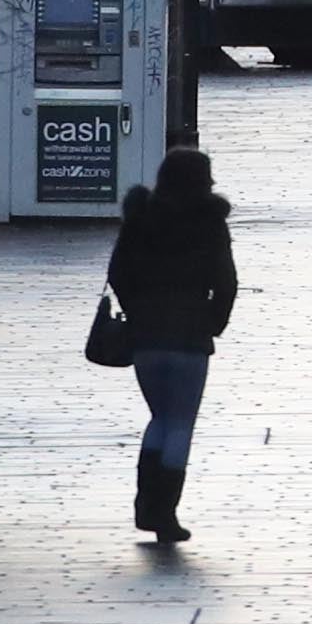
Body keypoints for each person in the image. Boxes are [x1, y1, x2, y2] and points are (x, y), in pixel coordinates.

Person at [100, 145, 235, 545]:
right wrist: (213, 323)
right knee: (180, 422)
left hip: (147, 338)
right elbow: (226, 281)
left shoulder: (140, 218)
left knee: (159, 417)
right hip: (190, 338)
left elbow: (118, 272)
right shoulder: (209, 221)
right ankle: (165, 512)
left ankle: (145, 502)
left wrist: (137, 312)